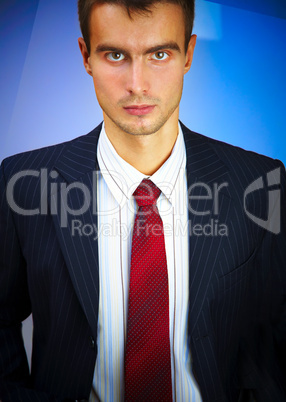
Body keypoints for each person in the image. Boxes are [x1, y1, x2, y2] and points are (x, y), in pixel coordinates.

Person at [0, 0, 285, 401]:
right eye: (115, 55)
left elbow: (275, 331)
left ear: (188, 54)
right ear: (85, 56)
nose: (137, 84)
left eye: (159, 54)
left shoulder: (259, 181)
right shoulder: (23, 183)